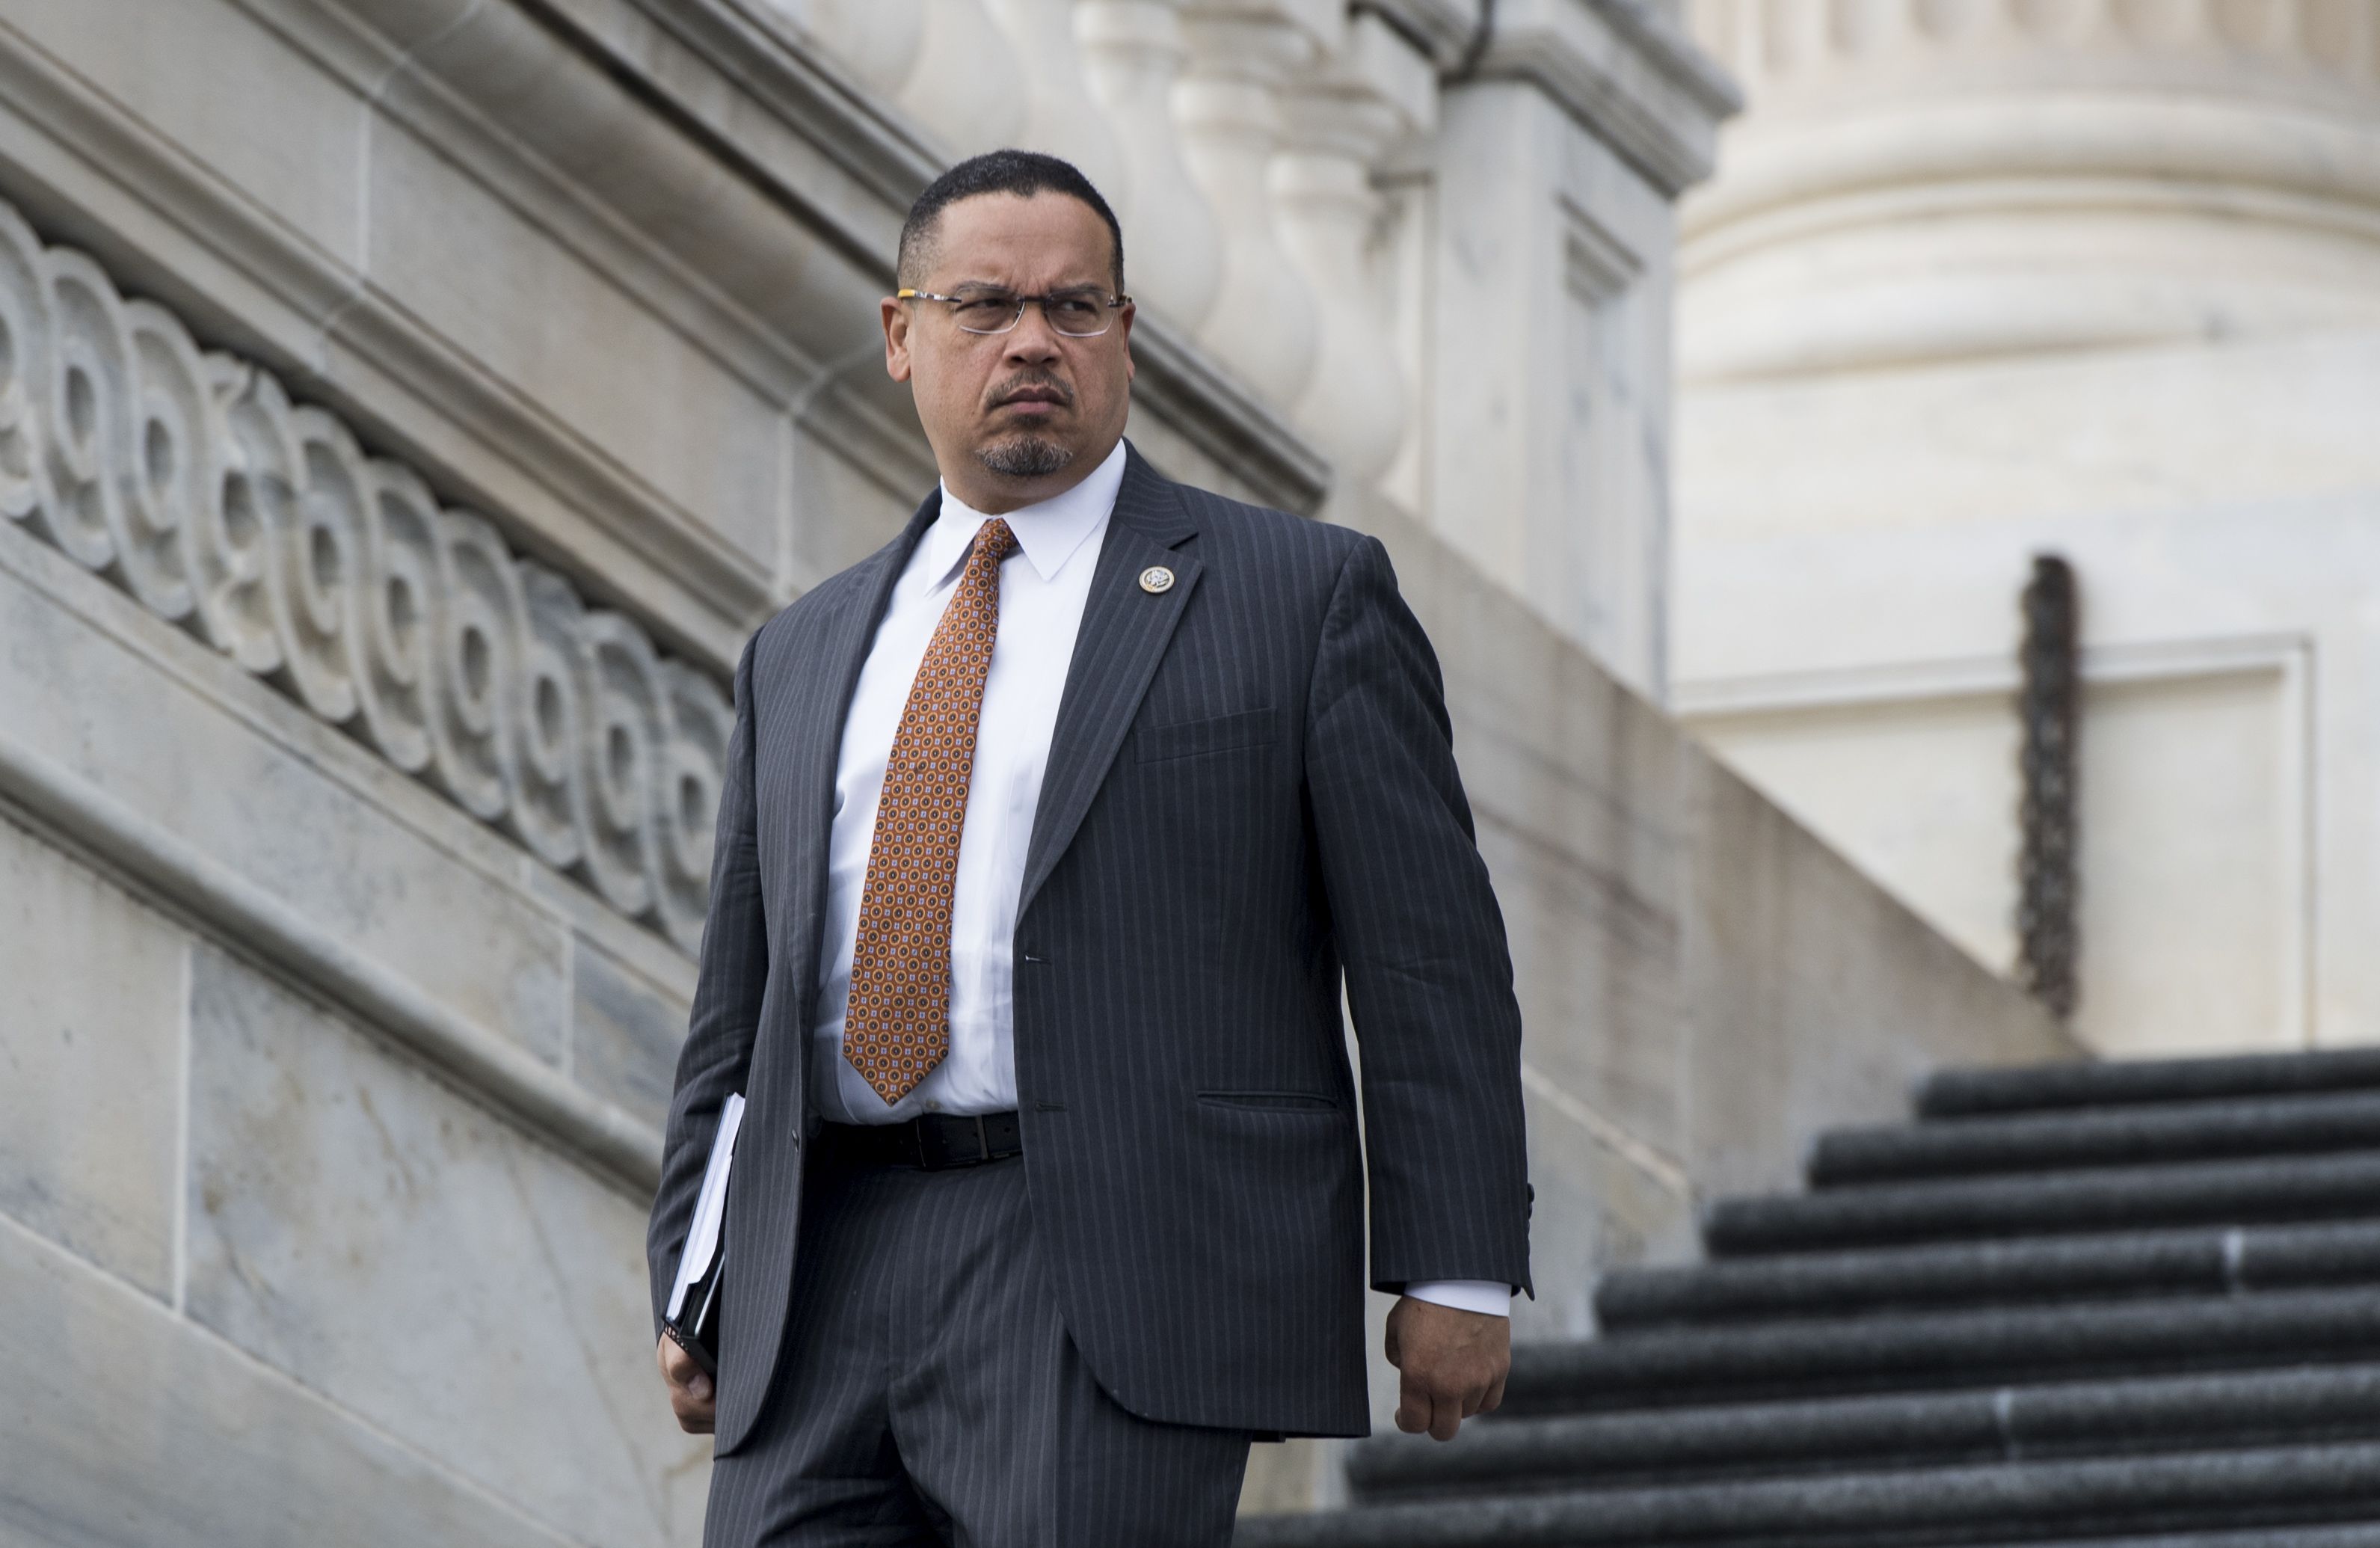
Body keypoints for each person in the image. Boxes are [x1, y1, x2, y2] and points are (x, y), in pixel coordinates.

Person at [647, 148, 1531, 1547]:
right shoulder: (802, 649)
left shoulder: (1299, 598)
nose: (1031, 342)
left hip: (1108, 1259)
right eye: (984, 305)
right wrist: (696, 1272)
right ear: (901, 334)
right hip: (817, 1264)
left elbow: (1430, 956)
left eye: (1073, 307)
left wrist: (1458, 1263)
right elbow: (739, 1014)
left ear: (1125, 335)